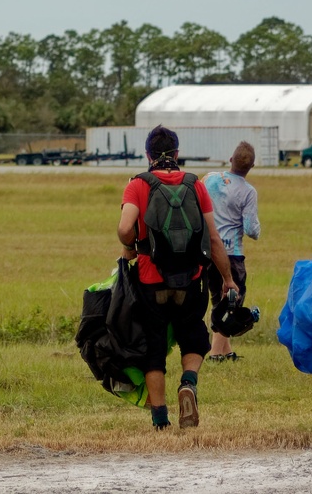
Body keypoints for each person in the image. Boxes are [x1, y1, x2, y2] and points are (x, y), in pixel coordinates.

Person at [117, 125, 238, 430]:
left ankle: (160, 420)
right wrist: (228, 279)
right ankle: (188, 381)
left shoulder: (137, 185)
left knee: (154, 348)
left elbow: (123, 228)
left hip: (150, 280)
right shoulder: (194, 185)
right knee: (193, 338)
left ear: (148, 154)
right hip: (190, 279)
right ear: (177, 153)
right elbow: (213, 238)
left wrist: (131, 247)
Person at [202, 141, 261, 362]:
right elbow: (251, 229)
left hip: (208, 251)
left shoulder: (210, 179)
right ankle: (215, 353)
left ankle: (226, 351)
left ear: (230, 160)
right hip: (232, 253)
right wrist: (258, 231)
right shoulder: (248, 192)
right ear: (251, 166)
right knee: (231, 303)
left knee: (218, 298)